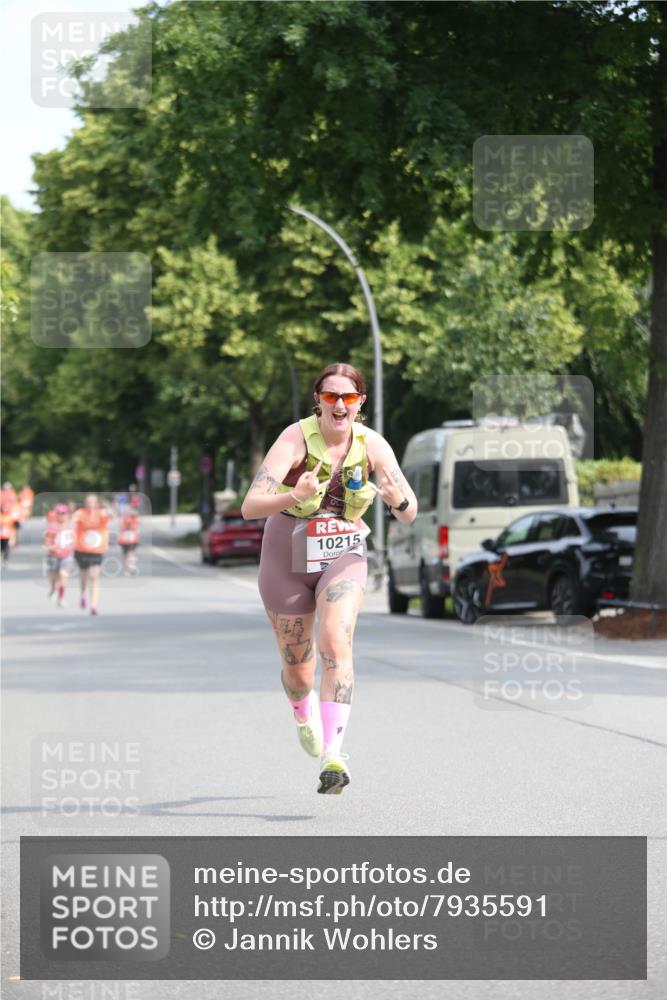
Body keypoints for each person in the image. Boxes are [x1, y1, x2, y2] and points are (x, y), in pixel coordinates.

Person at [241, 362, 417, 795]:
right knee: (298, 667)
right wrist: (294, 495)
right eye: (331, 396)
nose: (340, 405)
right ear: (318, 400)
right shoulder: (294, 439)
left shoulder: (372, 445)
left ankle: (333, 756)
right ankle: (303, 711)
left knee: (337, 639)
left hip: (343, 550)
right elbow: (250, 506)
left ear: (361, 404)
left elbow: (409, 511)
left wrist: (398, 501)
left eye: (349, 397)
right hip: (287, 554)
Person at [73, 494, 110, 615]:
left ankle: (93, 605)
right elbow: (72, 521)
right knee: (84, 576)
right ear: (85, 503)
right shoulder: (80, 513)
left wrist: (108, 507)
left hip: (97, 550)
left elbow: (111, 515)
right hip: (81, 549)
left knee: (94, 577)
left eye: (93, 502)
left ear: (96, 503)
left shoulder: (101, 513)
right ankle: (83, 593)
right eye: (88, 502)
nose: (90, 504)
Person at [44, 503, 74, 606]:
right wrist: (51, 547)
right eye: (60, 513)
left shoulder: (72, 525)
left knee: (63, 575)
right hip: (54, 555)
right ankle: (53, 588)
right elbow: (47, 540)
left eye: (64, 513)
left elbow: (76, 538)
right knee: (54, 576)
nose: (62, 515)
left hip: (67, 555)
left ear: (68, 514)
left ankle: (61, 598)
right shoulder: (53, 525)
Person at [118, 502, 140, 575]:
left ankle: (131, 567)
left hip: (133, 539)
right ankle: (126, 569)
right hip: (124, 539)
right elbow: (120, 527)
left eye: (129, 510)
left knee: (131, 553)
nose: (128, 511)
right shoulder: (122, 518)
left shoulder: (134, 517)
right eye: (126, 510)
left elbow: (137, 525)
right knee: (125, 555)